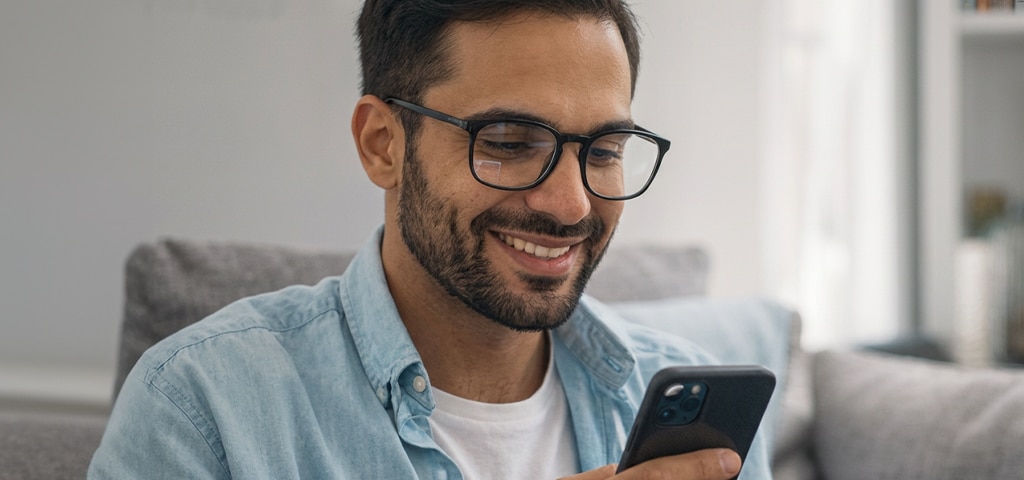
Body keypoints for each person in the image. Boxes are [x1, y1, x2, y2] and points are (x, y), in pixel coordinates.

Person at [89, 1, 772, 479]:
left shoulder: (698, 414)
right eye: (507, 142)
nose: (570, 204)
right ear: (382, 143)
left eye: (603, 150)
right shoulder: (203, 404)